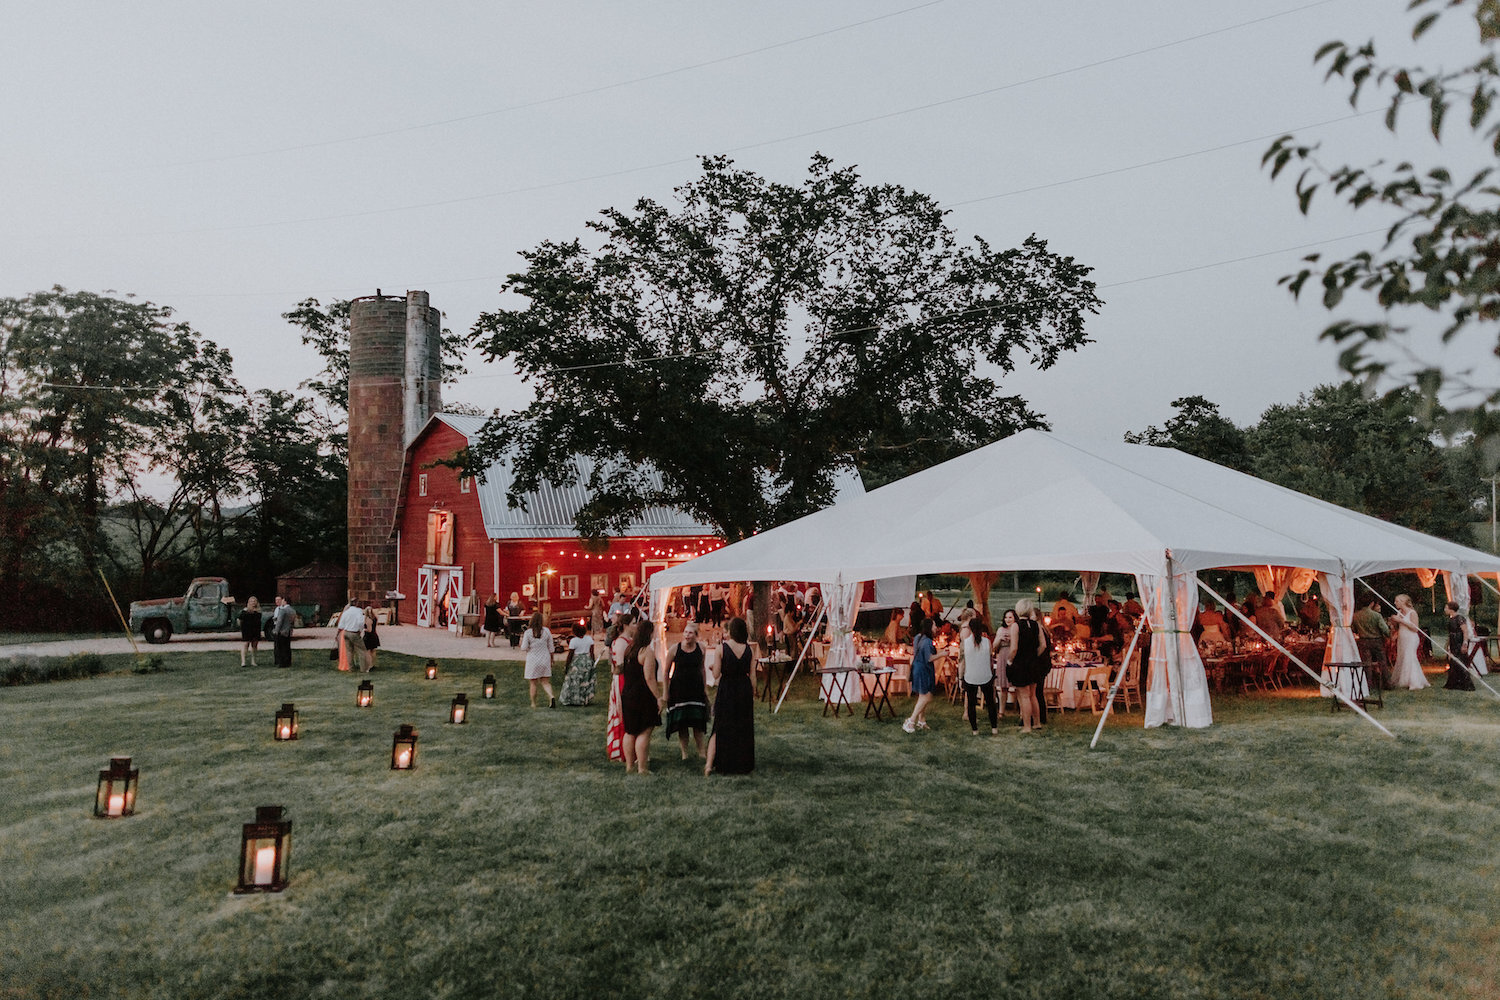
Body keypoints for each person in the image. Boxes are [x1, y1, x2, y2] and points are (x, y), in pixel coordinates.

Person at [705, 616, 755, 776]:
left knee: (720, 726)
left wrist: (713, 668)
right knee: (742, 726)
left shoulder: (722, 648)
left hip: (727, 688)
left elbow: (717, 673)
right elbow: (753, 676)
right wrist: (752, 693)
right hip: (744, 689)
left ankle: (710, 764)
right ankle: (741, 763)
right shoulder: (749, 650)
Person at [619, 620, 663, 774]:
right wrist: (658, 697)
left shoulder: (629, 649)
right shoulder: (646, 652)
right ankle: (642, 768)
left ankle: (629, 766)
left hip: (627, 693)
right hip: (642, 695)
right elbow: (649, 677)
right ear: (649, 633)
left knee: (630, 731)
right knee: (644, 731)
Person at [663, 621, 710, 759]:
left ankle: (702, 752)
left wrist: (705, 687)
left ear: (696, 635)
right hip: (679, 689)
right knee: (682, 723)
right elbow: (666, 672)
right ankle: (685, 753)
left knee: (697, 723)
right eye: (685, 632)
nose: (687, 635)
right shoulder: (674, 649)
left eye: (690, 633)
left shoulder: (701, 648)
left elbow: (702, 668)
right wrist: (666, 692)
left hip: (696, 689)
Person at [1006, 598, 1049, 733]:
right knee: (1033, 695)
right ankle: (1036, 722)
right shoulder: (1036, 625)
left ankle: (1027, 726)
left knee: (1024, 696)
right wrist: (1034, 655)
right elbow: (1043, 645)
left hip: (1020, 663)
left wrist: (1009, 661)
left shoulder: (1016, 626)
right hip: (1033, 663)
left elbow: (1013, 648)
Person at [960, 615, 999, 736]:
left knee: (971, 704)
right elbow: (990, 660)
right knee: (991, 703)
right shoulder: (987, 642)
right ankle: (994, 728)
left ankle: (975, 730)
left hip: (970, 676)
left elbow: (962, 662)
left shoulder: (965, 643)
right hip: (985, 675)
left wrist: (961, 677)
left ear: (970, 629)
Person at [902, 617, 938, 733]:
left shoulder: (918, 637)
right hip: (923, 670)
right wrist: (943, 654)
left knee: (922, 695)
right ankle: (911, 720)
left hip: (916, 668)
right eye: (934, 626)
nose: (936, 628)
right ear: (929, 627)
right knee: (927, 696)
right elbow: (929, 658)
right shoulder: (927, 641)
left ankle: (921, 720)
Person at [1388, 593, 1429, 690]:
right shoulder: (1399, 612)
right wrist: (1393, 622)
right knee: (1402, 657)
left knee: (1409, 657)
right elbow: (1398, 627)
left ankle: (1414, 681)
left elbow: (1415, 628)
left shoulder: (1412, 613)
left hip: (1411, 638)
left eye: (1397, 601)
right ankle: (1403, 680)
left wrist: (1401, 620)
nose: (1395, 603)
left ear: (1403, 602)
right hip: (1402, 638)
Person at [1351, 597, 1392, 687]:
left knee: (1367, 663)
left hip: (1363, 641)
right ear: (1372, 603)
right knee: (1382, 662)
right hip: (1377, 640)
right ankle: (1387, 683)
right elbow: (1384, 629)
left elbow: (1353, 629)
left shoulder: (1355, 616)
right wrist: (1389, 633)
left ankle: (1368, 684)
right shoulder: (1376, 615)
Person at [520, 610, 556, 708]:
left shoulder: (528, 633)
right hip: (545, 658)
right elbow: (551, 647)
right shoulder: (547, 631)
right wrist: (552, 659)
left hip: (533, 659)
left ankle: (533, 703)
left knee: (533, 682)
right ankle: (551, 696)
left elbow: (524, 647)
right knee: (545, 682)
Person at [560, 621, 599, 706]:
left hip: (577, 662)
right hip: (587, 660)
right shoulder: (589, 639)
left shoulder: (574, 641)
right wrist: (593, 662)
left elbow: (570, 655)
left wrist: (566, 666)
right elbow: (592, 652)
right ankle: (584, 699)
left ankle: (572, 699)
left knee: (574, 680)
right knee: (585, 680)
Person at [1443, 601, 1477, 691]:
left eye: (1446, 608)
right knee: (1453, 663)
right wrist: (1448, 645)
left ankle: (1466, 684)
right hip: (1453, 642)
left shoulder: (1460, 618)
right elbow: (1450, 633)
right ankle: (1454, 683)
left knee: (1461, 662)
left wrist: (1464, 644)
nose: (1445, 609)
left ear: (1451, 609)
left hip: (1459, 641)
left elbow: (1465, 631)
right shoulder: (1451, 619)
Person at [336, 598, 365, 672]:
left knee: (349, 651)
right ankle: (363, 668)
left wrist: (338, 633)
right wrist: (360, 630)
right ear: (356, 603)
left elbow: (341, 625)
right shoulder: (359, 611)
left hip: (346, 632)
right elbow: (360, 622)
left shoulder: (346, 612)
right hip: (354, 632)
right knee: (362, 650)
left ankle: (351, 668)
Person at [238, 597, 263, 667]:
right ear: (249, 602)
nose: (253, 602)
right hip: (246, 629)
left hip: (256, 630)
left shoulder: (258, 611)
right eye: (251, 601)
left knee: (254, 645)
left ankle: (253, 661)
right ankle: (243, 662)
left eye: (254, 601)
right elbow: (240, 619)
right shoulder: (245, 611)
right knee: (246, 644)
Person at [271, 595, 294, 669]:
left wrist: (276, 631)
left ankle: (282, 663)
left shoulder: (283, 610)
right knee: (287, 647)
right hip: (288, 630)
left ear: (285, 601)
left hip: (282, 631)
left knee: (281, 647)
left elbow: (279, 621)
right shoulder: (292, 610)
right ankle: (288, 662)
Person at [362, 605, 381, 671]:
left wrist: (364, 629)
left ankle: (369, 666)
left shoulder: (368, 619)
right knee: (373, 651)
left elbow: (369, 630)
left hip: (368, 637)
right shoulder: (375, 618)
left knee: (367, 652)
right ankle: (373, 664)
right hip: (374, 635)